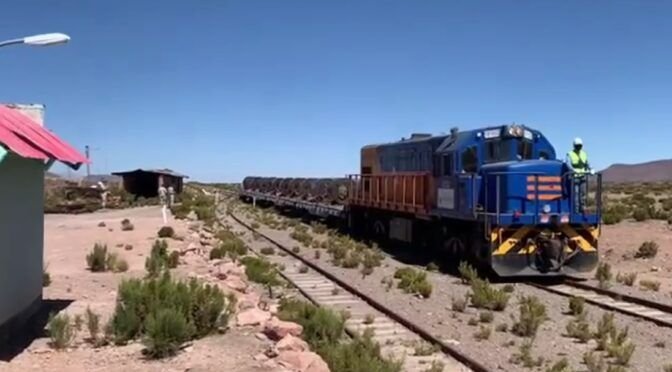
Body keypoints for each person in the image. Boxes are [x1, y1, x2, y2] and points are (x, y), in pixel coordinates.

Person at [565, 137, 594, 212]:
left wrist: (591, 169)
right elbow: (568, 164)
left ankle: (583, 209)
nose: (579, 147)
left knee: (583, 193)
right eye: (577, 146)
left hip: (582, 176)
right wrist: (572, 170)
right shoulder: (570, 154)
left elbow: (587, 163)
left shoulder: (584, 154)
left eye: (580, 145)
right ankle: (576, 210)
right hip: (574, 177)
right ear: (574, 146)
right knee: (576, 194)